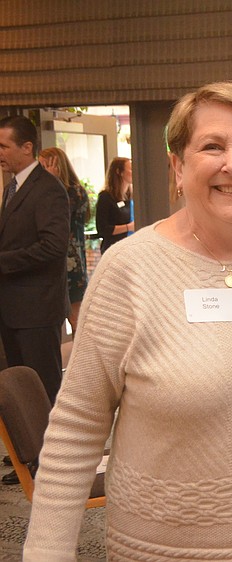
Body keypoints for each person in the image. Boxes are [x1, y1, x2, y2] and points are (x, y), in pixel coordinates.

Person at [24, 82, 232, 561]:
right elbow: (76, 429)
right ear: (177, 167)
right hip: (163, 553)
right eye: (212, 146)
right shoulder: (130, 270)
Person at [0, 115, 70, 485]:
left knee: (42, 387)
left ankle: (53, 463)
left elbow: (53, 247)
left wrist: (4, 263)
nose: (0, 154)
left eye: (4, 146)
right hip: (12, 308)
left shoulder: (47, 189)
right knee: (17, 389)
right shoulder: (13, 187)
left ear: (27, 148)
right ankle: (27, 458)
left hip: (36, 309)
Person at [38, 147, 90, 334]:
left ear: (58, 166)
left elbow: (56, 214)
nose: (42, 171)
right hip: (53, 261)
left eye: (46, 166)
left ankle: (83, 360)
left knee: (76, 317)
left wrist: (51, 183)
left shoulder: (74, 192)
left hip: (72, 262)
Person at [95, 156, 134, 253]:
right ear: (119, 172)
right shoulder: (105, 197)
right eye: (131, 169)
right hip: (113, 249)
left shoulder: (130, 196)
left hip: (129, 246)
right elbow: (102, 229)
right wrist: (128, 227)